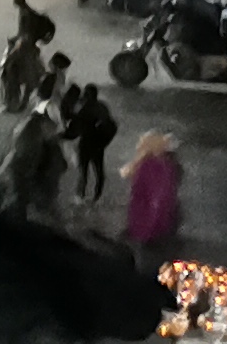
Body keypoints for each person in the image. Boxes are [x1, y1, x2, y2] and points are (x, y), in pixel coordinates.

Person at [128, 131, 183, 268]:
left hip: (150, 226)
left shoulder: (152, 167)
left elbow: (156, 201)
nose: (138, 147)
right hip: (156, 224)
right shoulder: (163, 166)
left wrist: (146, 229)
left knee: (149, 262)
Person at [68, 87, 123, 201]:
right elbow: (111, 125)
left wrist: (62, 136)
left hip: (85, 143)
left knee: (83, 173)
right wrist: (104, 141)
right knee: (99, 173)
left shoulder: (83, 109)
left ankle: (80, 197)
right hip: (98, 144)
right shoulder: (101, 107)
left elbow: (74, 129)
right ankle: (96, 197)